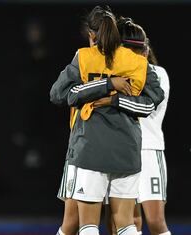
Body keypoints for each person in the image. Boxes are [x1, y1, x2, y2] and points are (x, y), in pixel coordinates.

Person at [50, 5, 164, 235]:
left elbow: (59, 94)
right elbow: (153, 101)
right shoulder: (137, 63)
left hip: (90, 149)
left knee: (87, 225)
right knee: (125, 223)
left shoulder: (84, 58)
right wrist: (113, 90)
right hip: (127, 150)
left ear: (92, 34)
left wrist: (107, 92)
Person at [105, 17, 171, 235]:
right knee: (124, 221)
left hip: (148, 151)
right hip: (120, 150)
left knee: (155, 221)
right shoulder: (112, 76)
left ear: (145, 51)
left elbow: (142, 105)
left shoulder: (158, 75)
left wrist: (113, 96)